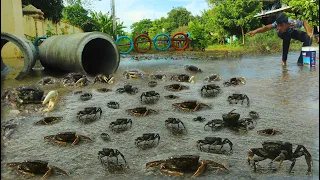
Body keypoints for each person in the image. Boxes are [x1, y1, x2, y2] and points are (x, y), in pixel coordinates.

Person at [248, 13, 313, 66]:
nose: (278, 27)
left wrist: (309, 32)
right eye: (277, 26)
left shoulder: (292, 22)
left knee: (308, 38)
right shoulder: (276, 24)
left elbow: (304, 22)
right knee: (286, 37)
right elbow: (266, 28)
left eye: (280, 26)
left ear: (286, 24)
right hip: (281, 34)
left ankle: (301, 61)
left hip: (291, 32)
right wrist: (255, 31)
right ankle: (284, 62)